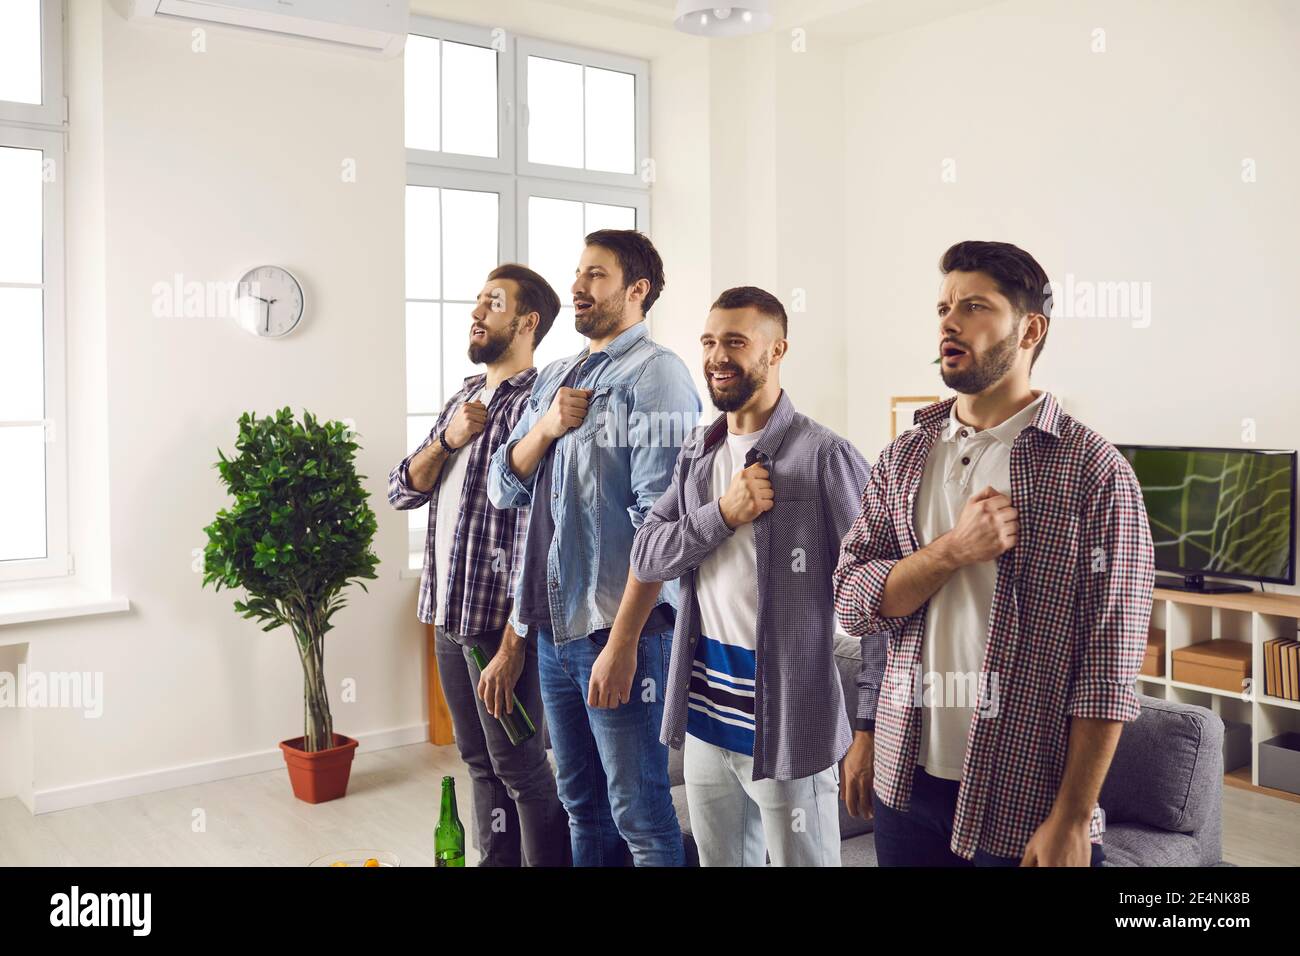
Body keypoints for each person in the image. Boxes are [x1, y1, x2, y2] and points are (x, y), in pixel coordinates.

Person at [833, 240, 1154, 867]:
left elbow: (1110, 668)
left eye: (974, 307)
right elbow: (854, 603)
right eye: (944, 306)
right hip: (905, 779)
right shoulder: (904, 456)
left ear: (1029, 328)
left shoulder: (1096, 473)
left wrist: (1071, 818)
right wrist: (950, 551)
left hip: (1023, 795)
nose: (948, 322)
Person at [630, 286, 881, 866]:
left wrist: (868, 725)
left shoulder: (824, 456)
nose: (718, 356)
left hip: (789, 732)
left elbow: (879, 603)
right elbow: (647, 555)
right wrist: (723, 513)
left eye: (736, 342)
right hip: (704, 721)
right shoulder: (699, 449)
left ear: (776, 351)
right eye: (710, 341)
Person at [488, 230, 702, 867]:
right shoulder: (554, 376)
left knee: (638, 813)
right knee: (581, 804)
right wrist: (550, 423)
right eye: (578, 273)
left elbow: (659, 530)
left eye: (597, 276)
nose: (577, 288)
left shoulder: (657, 375)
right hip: (559, 632)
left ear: (637, 291)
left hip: (618, 629)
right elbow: (506, 485)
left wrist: (624, 643)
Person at [388, 264, 568, 867]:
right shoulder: (463, 399)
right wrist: (447, 440)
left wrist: (516, 641)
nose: (477, 312)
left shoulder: (537, 406)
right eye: (477, 301)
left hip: (501, 624)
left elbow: (545, 531)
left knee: (520, 766)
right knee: (477, 763)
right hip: (447, 615)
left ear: (527, 323)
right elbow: (402, 489)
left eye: (493, 303)